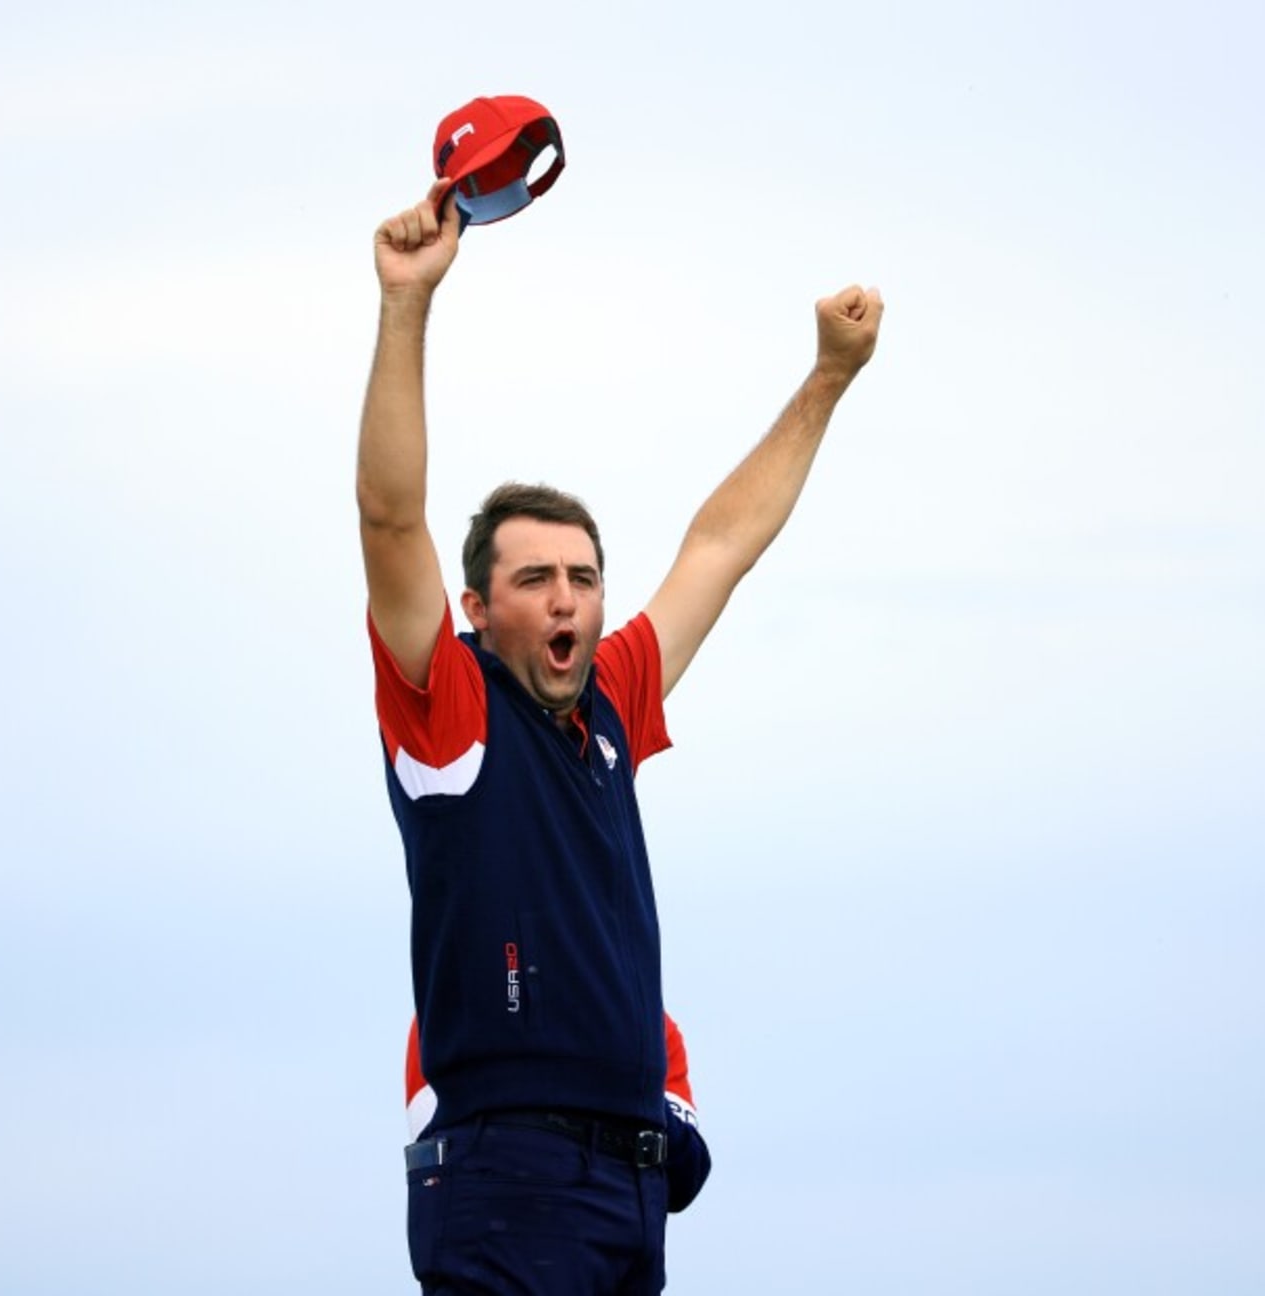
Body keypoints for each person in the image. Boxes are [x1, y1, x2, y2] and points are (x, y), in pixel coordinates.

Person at [361, 173, 882, 1294]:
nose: (565, 598)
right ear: (474, 610)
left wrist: (828, 379)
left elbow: (721, 544)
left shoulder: (609, 699)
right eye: (534, 579)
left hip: (626, 1187)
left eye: (583, 578)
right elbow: (390, 519)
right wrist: (407, 303)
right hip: (506, 1175)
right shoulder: (448, 706)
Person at [404, 1012, 713, 1216]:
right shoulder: (448, 1005)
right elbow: (444, 1158)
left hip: (617, 1254)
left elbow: (684, 1176)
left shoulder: (653, 1023)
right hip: (495, 1247)